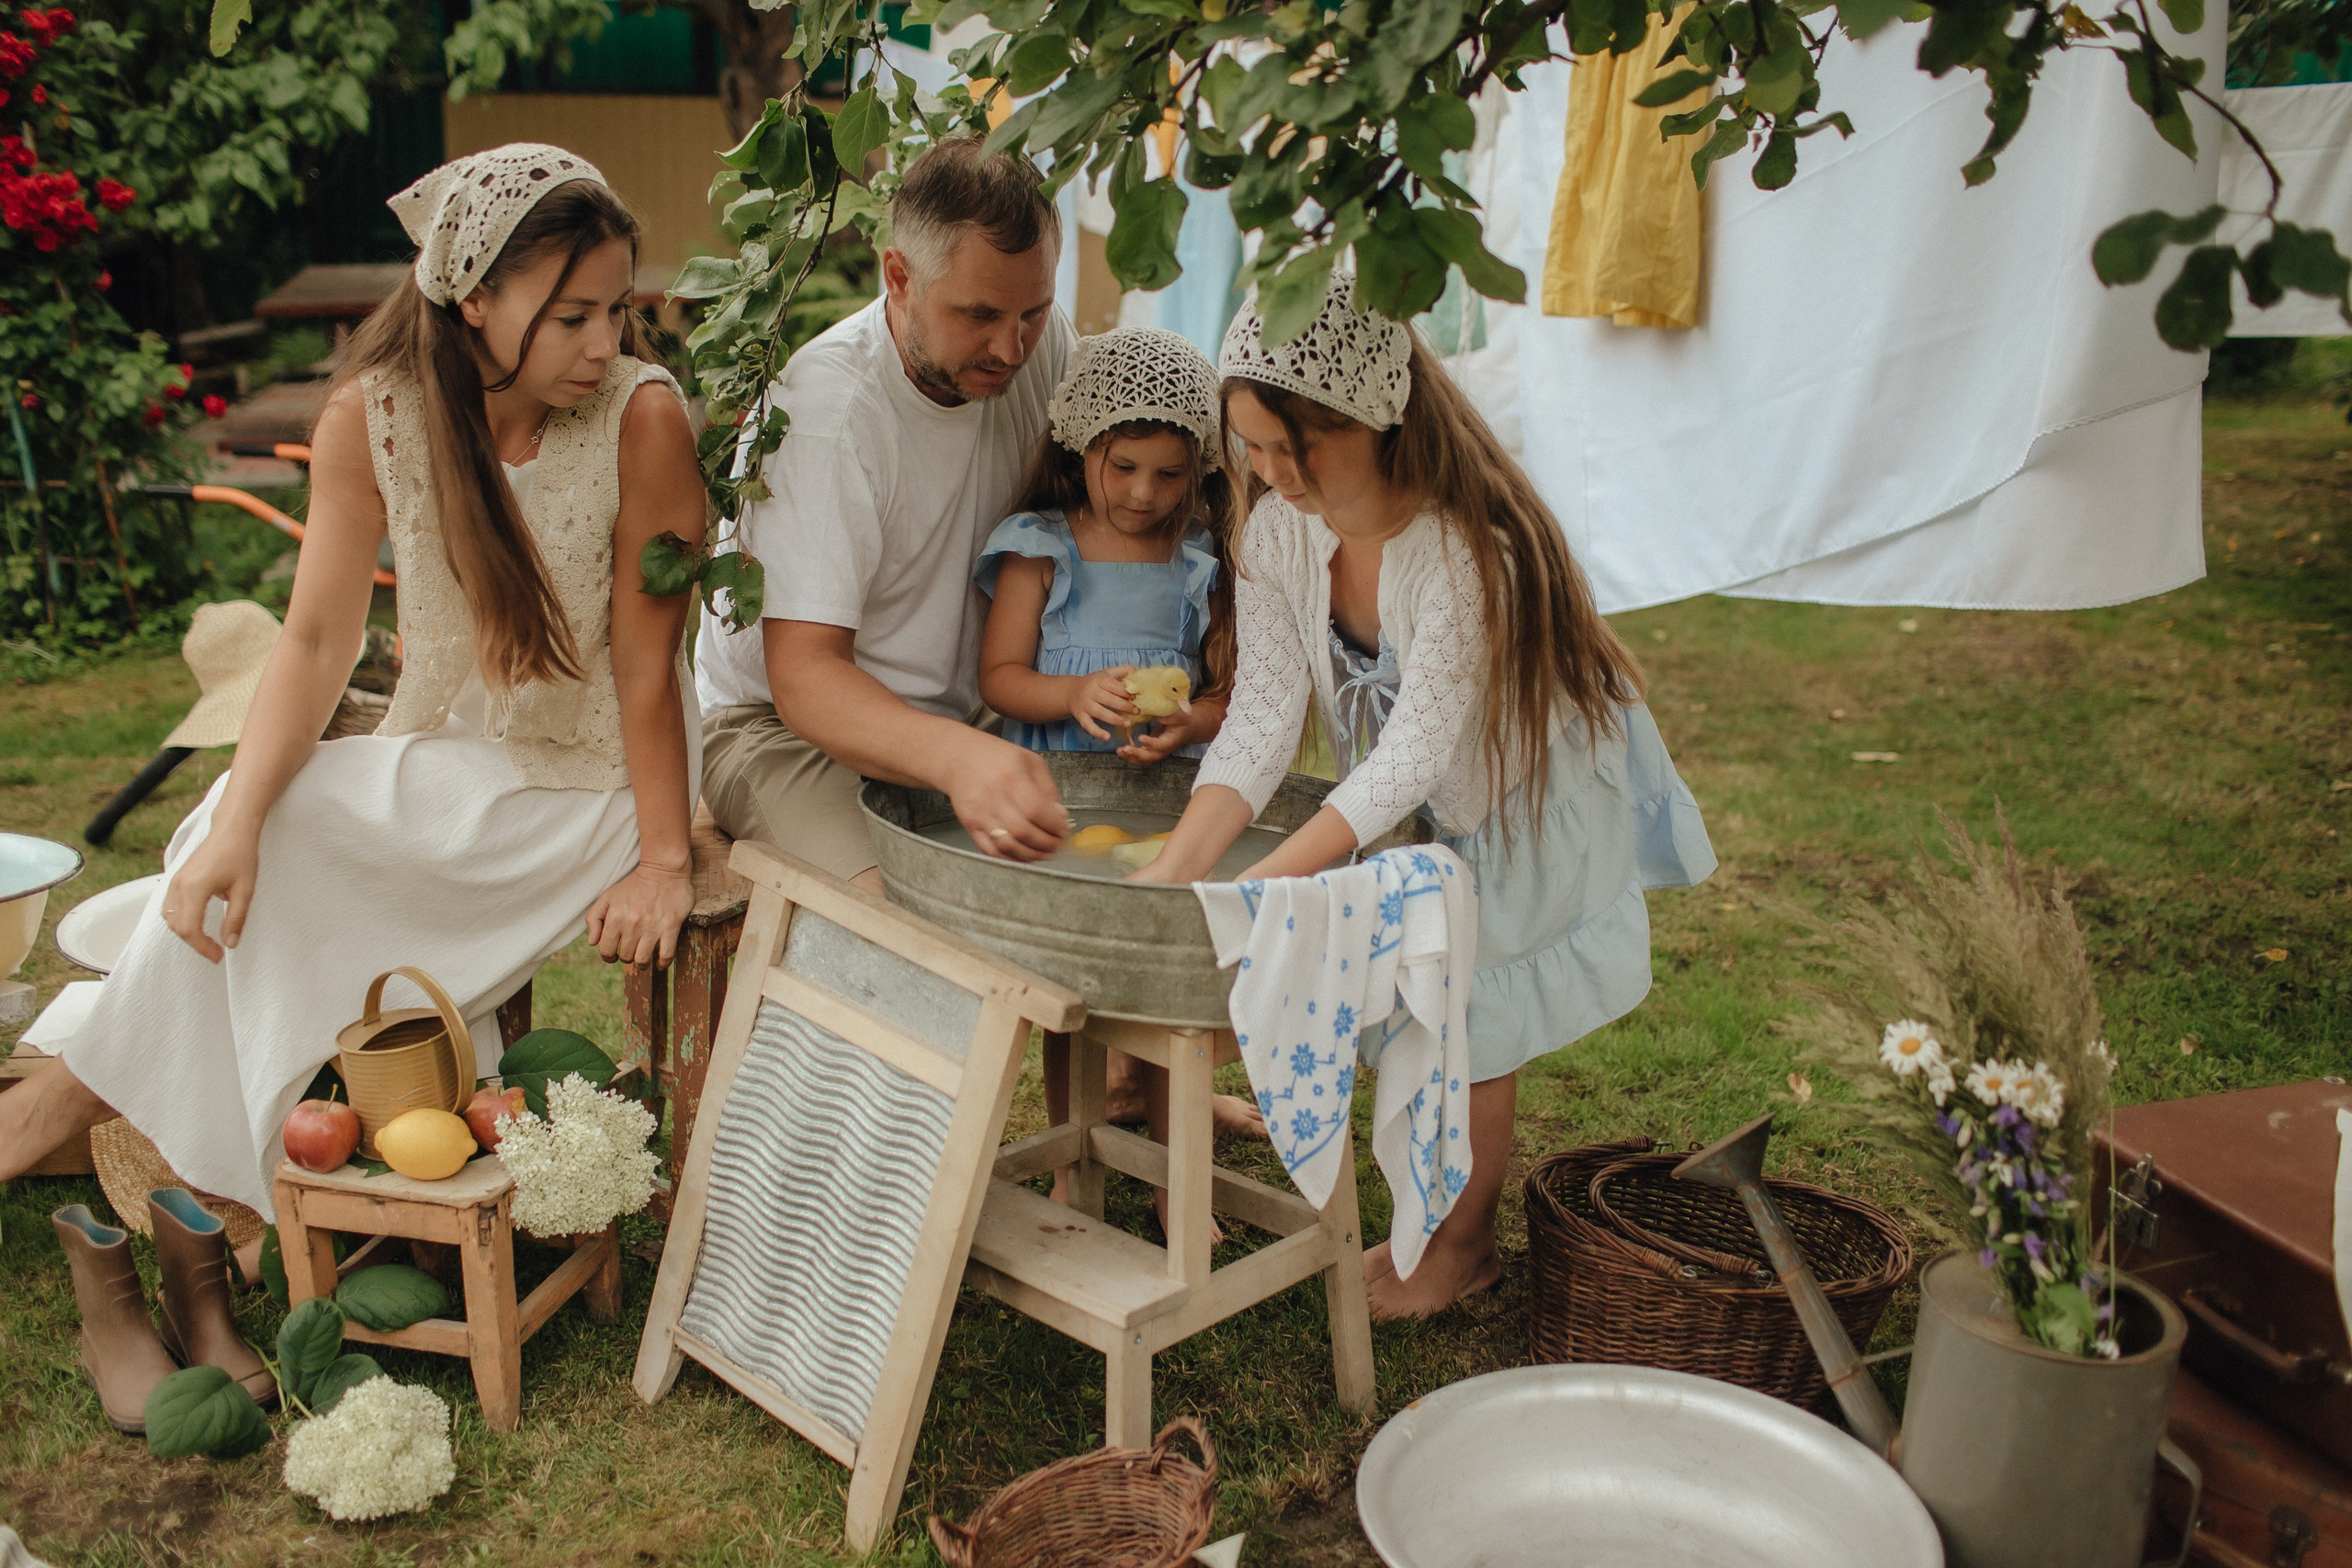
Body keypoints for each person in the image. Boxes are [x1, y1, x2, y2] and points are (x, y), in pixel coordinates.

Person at [0, 146, 707, 1287]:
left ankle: (71, 1121)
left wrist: (667, 857)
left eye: (617, 311)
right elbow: (318, 644)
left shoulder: (642, 420)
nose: (604, 346)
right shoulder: (371, 418)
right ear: (473, 300)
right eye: (572, 316)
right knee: (244, 825)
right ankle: (241, 1172)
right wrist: (234, 819)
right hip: (459, 747)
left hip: (603, 776)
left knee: (293, 841)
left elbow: (644, 669)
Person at [1133, 271, 1717, 1318]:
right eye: (1250, 447)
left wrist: (1257, 892)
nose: (1268, 473)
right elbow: (1263, 720)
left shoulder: (1457, 553)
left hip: (1509, 799)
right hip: (1406, 801)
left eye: (1292, 447)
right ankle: (1434, 1217)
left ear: (1369, 417)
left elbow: (1408, 756)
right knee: (1410, 996)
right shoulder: (1277, 531)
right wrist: (1176, 872)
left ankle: (1460, 1249)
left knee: (1468, 1023)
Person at [695, 136, 1079, 891]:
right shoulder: (826, 414)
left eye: (1034, 310)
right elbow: (804, 678)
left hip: (970, 717)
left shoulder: (1043, 347)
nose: (1012, 345)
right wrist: (960, 759)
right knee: (902, 925)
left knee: (1099, 865)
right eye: (980, 314)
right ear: (897, 276)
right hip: (779, 729)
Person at [972, 325, 1262, 1219]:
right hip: (1068, 797)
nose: (1144, 493)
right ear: (1082, 448)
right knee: (1076, 986)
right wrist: (1070, 698)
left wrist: (1188, 724)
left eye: (1169, 474)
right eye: (1124, 466)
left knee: (1172, 980)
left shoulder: (1202, 553)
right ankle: (1075, 1158)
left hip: (1171, 803)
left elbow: (1238, 697)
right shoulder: (1041, 545)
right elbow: (1000, 680)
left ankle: (1184, 1170)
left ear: (1200, 469)